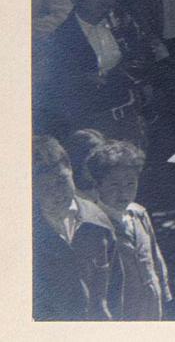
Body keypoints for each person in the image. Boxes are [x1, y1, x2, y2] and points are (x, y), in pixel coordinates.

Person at [34, 0, 149, 145]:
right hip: (91, 128)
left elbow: (141, 58)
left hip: (129, 118)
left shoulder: (122, 24)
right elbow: (60, 89)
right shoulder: (62, 39)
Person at [33, 135, 116, 321]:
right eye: (45, 187)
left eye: (61, 181)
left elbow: (114, 282)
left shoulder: (97, 219)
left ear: (70, 169)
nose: (57, 193)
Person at [86, 139, 172, 320]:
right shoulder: (94, 227)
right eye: (114, 185)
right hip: (122, 312)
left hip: (151, 304)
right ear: (97, 185)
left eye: (130, 184)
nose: (124, 193)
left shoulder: (139, 214)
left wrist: (164, 290)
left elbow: (155, 256)